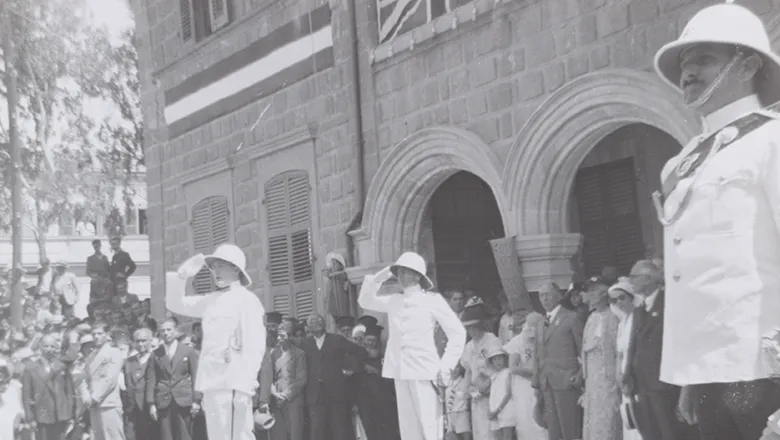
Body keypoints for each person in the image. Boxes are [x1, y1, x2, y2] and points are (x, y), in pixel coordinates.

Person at [652, 2, 780, 439]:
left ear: (746, 65)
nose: (688, 71)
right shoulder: (684, 162)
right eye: (684, 64)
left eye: (703, 59)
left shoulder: (771, 140)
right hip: (712, 372)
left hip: (766, 368)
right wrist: (694, 375)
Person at [358, 251, 466, 440]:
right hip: (400, 369)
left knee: (429, 428)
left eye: (406, 271)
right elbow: (365, 300)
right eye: (398, 271)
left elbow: (458, 333)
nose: (400, 275)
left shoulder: (432, 300)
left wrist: (445, 367)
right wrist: (380, 276)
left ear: (417, 275)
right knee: (409, 429)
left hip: (424, 370)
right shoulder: (394, 300)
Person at [165, 244, 266, 440]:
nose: (215, 272)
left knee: (239, 436)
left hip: (234, 381)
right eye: (213, 268)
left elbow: (255, 346)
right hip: (212, 382)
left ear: (235, 268)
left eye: (220, 266)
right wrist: (182, 275)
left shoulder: (247, 300)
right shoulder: (211, 300)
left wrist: (245, 385)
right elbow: (176, 304)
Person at [624, 261, 692, 440]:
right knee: (650, 434)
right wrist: (628, 375)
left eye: (633, 277)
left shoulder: (668, 304)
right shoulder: (639, 310)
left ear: (647, 279)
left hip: (666, 387)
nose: (630, 281)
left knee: (671, 433)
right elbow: (634, 347)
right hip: (643, 386)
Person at [299, 314, 366, 440]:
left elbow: (361, 352)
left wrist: (352, 370)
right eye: (314, 320)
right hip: (315, 396)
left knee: (340, 430)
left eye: (320, 320)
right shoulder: (305, 344)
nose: (318, 322)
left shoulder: (337, 340)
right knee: (317, 431)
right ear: (308, 326)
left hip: (336, 393)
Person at [531, 282, 584, 440]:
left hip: (566, 380)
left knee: (570, 429)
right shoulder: (540, 323)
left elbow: (583, 349)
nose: (544, 298)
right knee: (553, 430)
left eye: (548, 294)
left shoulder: (571, 317)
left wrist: (579, 376)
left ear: (559, 296)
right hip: (546, 382)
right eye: (541, 295)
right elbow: (537, 354)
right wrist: (536, 382)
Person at [579, 277, 621, 440]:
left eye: (595, 290)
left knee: (607, 421)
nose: (591, 294)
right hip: (592, 382)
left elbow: (615, 350)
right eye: (590, 291)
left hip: (607, 379)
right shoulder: (591, 317)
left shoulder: (612, 316)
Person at [146, 319, 201, 440]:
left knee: (184, 435)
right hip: (163, 400)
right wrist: (151, 404)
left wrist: (196, 400)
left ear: (176, 331)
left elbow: (196, 376)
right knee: (166, 436)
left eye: (169, 330)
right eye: (162, 331)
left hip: (183, 399)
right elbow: (151, 380)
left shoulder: (188, 351)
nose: (166, 333)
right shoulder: (155, 354)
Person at [459, 297, 502, 440]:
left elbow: (499, 369)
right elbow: (468, 372)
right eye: (469, 328)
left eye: (474, 327)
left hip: (492, 393)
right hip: (476, 397)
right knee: (479, 431)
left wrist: (487, 387)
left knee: (492, 432)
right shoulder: (469, 346)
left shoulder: (492, 341)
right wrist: (466, 391)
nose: (472, 331)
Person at [21, 333, 76, 440]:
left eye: (52, 346)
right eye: (46, 346)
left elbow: (69, 391)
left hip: (60, 415)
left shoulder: (62, 366)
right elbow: (26, 395)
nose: (49, 349)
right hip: (41, 415)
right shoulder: (31, 368)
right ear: (40, 347)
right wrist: (30, 418)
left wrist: (69, 412)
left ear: (56, 348)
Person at [607, 278, 643, 440]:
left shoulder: (639, 319)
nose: (619, 303)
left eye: (622, 298)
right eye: (614, 300)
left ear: (631, 297)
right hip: (624, 379)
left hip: (637, 376)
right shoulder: (622, 323)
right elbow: (619, 354)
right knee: (630, 421)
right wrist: (618, 377)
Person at [504, 312, 547, 439]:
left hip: (542, 383)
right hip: (523, 386)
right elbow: (513, 367)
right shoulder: (517, 341)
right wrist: (535, 373)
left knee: (541, 423)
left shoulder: (544, 337)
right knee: (526, 420)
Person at [85, 321, 126, 440]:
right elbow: (87, 379)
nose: (96, 337)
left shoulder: (114, 352)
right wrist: (88, 398)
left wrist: (94, 397)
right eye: (94, 334)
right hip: (94, 405)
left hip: (109, 403)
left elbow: (110, 379)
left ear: (107, 335)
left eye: (99, 333)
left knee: (114, 437)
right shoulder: (90, 356)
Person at [268, 322, 306, 440]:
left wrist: (284, 396)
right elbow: (269, 377)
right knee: (278, 434)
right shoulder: (274, 353)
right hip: (276, 399)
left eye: (282, 336)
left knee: (295, 434)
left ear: (290, 336)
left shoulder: (300, 354)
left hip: (292, 400)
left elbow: (301, 380)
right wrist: (274, 393)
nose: (279, 338)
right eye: (278, 335)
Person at [122, 327, 156, 440]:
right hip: (131, 408)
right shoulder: (128, 362)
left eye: (144, 340)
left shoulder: (156, 359)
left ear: (151, 341)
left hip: (148, 407)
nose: (140, 344)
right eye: (137, 341)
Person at [487, 348, 515, 440]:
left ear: (505, 359)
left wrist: (497, 410)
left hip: (506, 410)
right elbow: (493, 395)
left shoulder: (508, 373)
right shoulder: (494, 376)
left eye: (499, 358)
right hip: (495, 413)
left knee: (507, 437)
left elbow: (508, 393)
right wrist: (491, 411)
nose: (497, 362)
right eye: (494, 359)